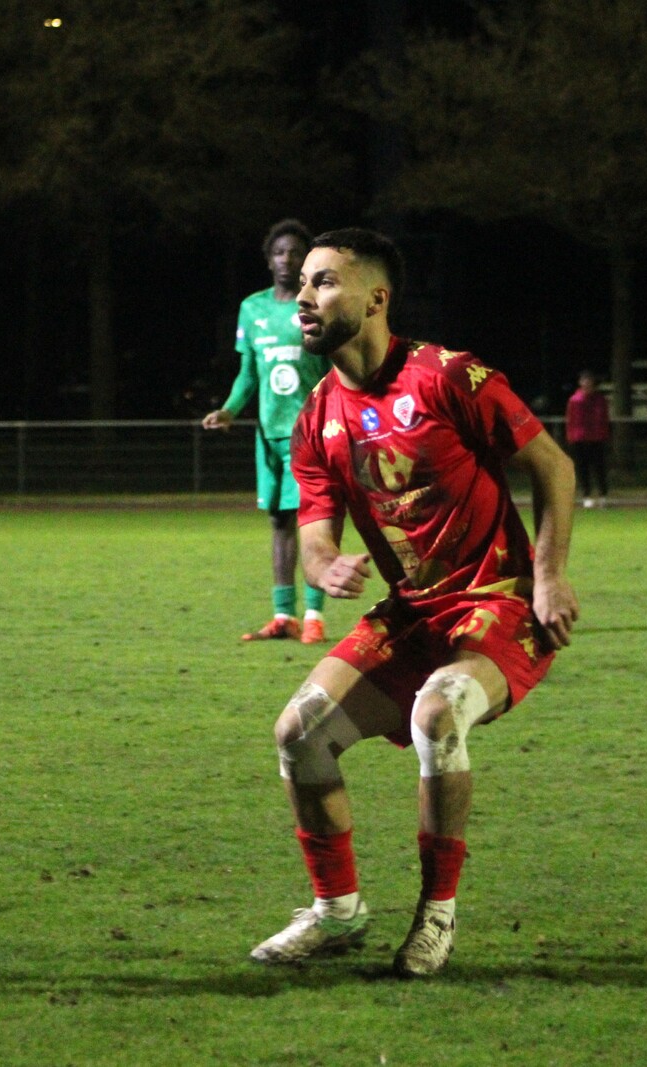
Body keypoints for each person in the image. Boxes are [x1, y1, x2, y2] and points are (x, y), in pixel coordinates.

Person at [248, 228, 578, 977]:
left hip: (498, 602)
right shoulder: (317, 417)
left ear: (376, 298)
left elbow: (553, 465)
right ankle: (337, 911)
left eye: (324, 282)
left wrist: (550, 576)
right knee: (299, 733)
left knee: (438, 712)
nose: (304, 297)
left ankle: (435, 916)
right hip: (413, 611)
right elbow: (314, 535)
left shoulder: (448, 377)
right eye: (303, 283)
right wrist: (326, 565)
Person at [203, 219, 332, 643]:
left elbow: (333, 371)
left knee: (313, 522)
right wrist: (228, 410)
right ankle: (283, 616)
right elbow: (248, 374)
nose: (286, 259)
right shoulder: (252, 309)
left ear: (306, 261)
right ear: (268, 259)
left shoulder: (317, 306)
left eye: (295, 253)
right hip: (269, 436)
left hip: (309, 435)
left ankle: (313, 616)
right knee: (279, 521)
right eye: (279, 252)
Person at [564, 369, 611, 507]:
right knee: (583, 469)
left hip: (597, 438)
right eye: (584, 380)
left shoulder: (600, 400)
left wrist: (605, 434)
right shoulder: (575, 400)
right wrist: (571, 436)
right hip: (580, 438)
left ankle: (603, 496)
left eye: (589, 380)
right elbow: (570, 420)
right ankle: (586, 495)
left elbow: (604, 418)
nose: (587, 383)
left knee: (599, 468)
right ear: (580, 382)